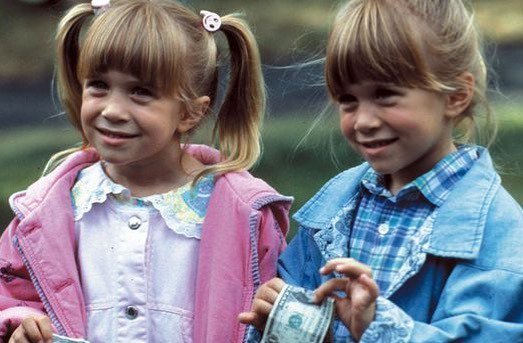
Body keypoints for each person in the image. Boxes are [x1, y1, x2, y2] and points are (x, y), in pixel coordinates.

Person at [0, 0, 292, 342]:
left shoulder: (242, 215)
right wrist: (23, 322)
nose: (112, 110)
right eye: (98, 85)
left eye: (141, 92)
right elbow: (12, 294)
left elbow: (272, 315)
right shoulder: (49, 211)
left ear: (190, 113)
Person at [239, 0, 523, 342]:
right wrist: (282, 314)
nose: (363, 121)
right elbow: (299, 292)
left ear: (456, 96)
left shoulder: (498, 233)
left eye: (386, 96)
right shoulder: (336, 210)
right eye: (348, 100)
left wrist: (380, 330)